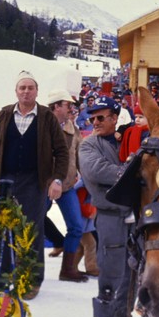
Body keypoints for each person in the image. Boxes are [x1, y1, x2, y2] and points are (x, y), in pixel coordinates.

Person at [0, 71, 69, 300]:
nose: (26, 91)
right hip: (4, 181)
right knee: (2, 230)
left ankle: (31, 280)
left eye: (30, 87)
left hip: (34, 182)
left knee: (32, 231)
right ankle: (5, 274)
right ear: (16, 92)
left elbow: (61, 151)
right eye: (22, 88)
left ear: (37, 91)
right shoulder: (4, 114)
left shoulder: (47, 117)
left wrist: (57, 179)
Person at [78, 95, 142, 317]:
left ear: (115, 118)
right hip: (109, 215)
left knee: (133, 268)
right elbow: (96, 171)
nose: (95, 122)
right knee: (111, 269)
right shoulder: (88, 145)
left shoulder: (127, 139)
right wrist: (130, 173)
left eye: (101, 117)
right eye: (92, 118)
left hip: (134, 215)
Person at [46, 89, 89, 282]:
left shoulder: (73, 128)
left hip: (67, 185)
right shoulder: (42, 127)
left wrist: (87, 179)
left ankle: (68, 269)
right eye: (67, 104)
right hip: (43, 185)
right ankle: (30, 269)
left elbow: (79, 155)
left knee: (76, 227)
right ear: (55, 106)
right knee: (33, 223)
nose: (71, 108)